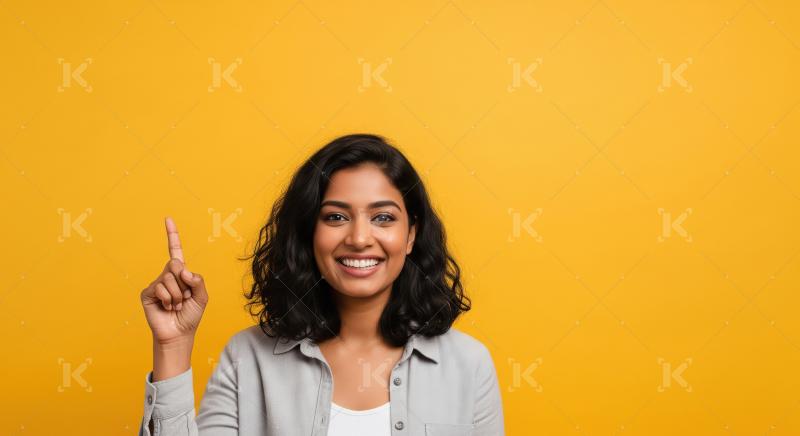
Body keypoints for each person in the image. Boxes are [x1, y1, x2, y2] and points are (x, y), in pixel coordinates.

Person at [138, 133, 505, 436]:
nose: (359, 238)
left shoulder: (469, 365)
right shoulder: (247, 357)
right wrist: (172, 346)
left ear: (410, 235)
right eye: (336, 217)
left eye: (382, 217)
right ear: (309, 233)